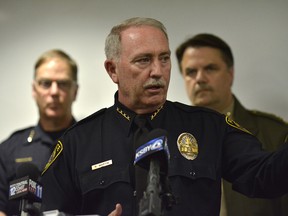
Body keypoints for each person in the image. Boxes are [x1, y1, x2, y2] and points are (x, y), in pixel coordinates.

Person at [41, 17, 288, 216]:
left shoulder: (208, 126)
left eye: (164, 59)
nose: (157, 71)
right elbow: (46, 211)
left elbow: (265, 176)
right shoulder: (78, 141)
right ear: (113, 69)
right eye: (144, 60)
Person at [175, 33, 288, 216]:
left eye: (210, 69)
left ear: (230, 74)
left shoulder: (276, 133)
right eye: (191, 72)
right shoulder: (171, 137)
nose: (200, 78)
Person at [0, 49, 79, 216]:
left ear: (75, 91)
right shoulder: (9, 149)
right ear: (34, 90)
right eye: (45, 83)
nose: (54, 92)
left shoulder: (93, 142)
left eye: (63, 83)